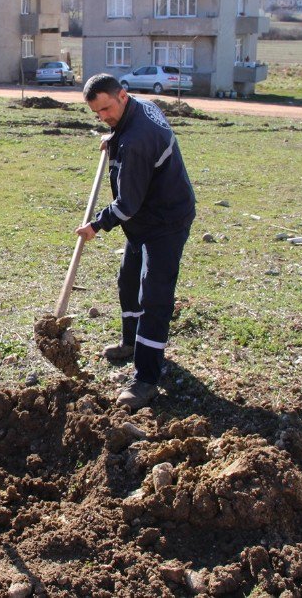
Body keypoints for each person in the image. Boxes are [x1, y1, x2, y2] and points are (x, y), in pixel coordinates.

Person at [75, 74, 196, 412]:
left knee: (154, 295)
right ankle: (131, 342)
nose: (104, 117)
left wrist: (96, 225)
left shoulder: (137, 142)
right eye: (98, 114)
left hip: (166, 220)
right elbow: (124, 131)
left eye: (108, 109)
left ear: (122, 96)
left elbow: (127, 204)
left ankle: (146, 378)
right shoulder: (139, 110)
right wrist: (113, 135)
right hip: (145, 218)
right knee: (128, 280)